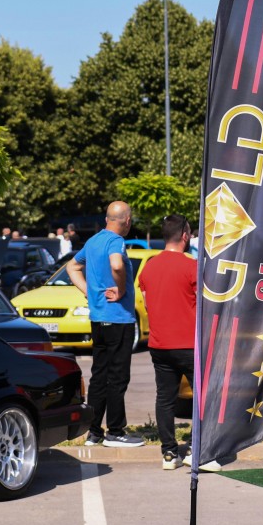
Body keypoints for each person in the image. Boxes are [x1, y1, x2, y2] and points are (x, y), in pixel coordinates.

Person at [67, 201, 143, 447]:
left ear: (106, 218)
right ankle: (116, 431)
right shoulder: (115, 241)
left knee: (99, 375)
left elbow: (72, 267)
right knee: (118, 376)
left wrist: (88, 291)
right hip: (118, 318)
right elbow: (117, 264)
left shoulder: (93, 241)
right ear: (127, 221)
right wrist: (121, 289)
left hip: (98, 319)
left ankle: (94, 431)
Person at [139, 216, 198, 469]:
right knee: (202, 397)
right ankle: (195, 449)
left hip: (159, 343)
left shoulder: (148, 267)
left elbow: (147, 303)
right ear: (185, 235)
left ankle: (169, 454)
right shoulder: (192, 266)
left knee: (165, 398)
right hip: (189, 343)